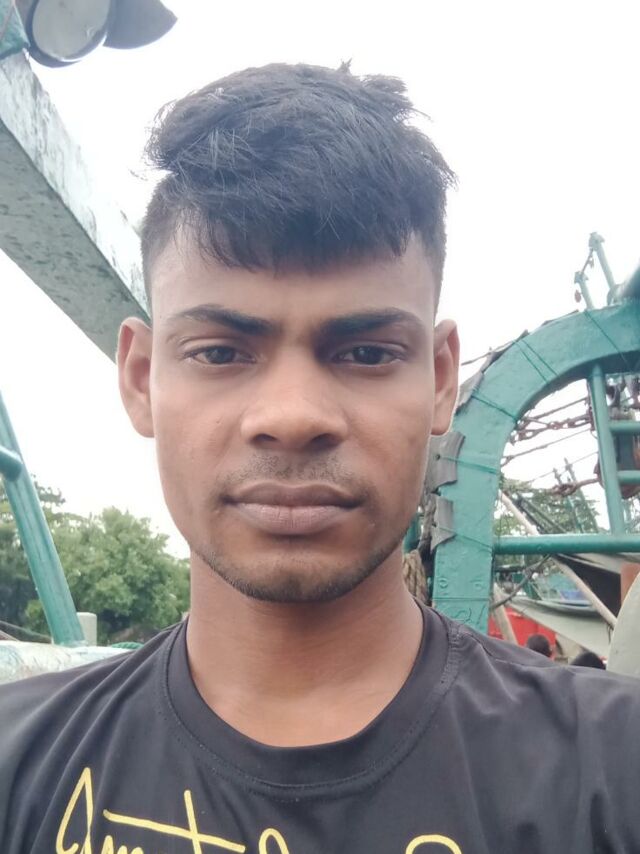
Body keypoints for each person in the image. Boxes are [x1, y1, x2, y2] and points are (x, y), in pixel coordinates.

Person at [1, 62, 639, 854]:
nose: (293, 417)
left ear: (441, 380)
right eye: (220, 352)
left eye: (366, 352)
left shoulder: (614, 772)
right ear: (140, 379)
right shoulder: (19, 765)